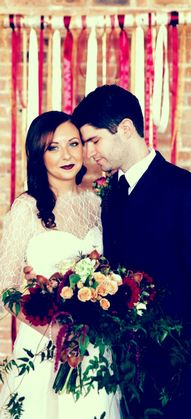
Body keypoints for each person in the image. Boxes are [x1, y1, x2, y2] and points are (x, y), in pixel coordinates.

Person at [71, 84, 191, 419]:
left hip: (172, 362)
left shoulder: (186, 190)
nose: (89, 153)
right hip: (118, 362)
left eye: (94, 140)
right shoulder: (110, 196)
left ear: (125, 129)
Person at [0, 111, 120, 419]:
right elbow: (6, 288)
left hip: (94, 349)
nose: (66, 155)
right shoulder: (27, 208)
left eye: (74, 144)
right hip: (44, 344)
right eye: (53, 147)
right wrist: (53, 330)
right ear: (39, 155)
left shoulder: (98, 204)